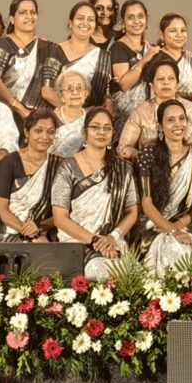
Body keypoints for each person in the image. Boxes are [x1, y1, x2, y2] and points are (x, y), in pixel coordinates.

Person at [52, 107, 140, 278]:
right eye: (95, 127)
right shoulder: (67, 168)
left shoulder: (123, 168)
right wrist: (95, 240)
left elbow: (132, 212)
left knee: (135, 277)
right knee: (102, 272)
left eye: (107, 128)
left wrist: (113, 237)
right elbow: (59, 218)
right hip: (77, 242)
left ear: (113, 134)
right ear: (84, 132)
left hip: (112, 242)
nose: (101, 132)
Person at [139, 99, 192, 269]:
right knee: (171, 248)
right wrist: (170, 229)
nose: (178, 124)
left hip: (184, 225)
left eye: (181, 118)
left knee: (190, 250)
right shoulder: (148, 154)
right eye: (170, 120)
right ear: (160, 126)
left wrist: (177, 227)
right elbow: (146, 203)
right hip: (152, 225)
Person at [118, 55, 192, 156]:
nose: (166, 82)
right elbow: (123, 148)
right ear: (151, 86)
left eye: (171, 78)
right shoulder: (141, 112)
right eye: (160, 79)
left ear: (177, 84)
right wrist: (144, 158)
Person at [0, 113, 60, 242]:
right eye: (38, 131)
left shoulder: (59, 165)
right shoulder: (9, 162)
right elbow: (1, 208)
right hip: (12, 230)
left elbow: (63, 211)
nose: (45, 137)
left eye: (50, 132)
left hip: (44, 231)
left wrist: (39, 228)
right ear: (26, 132)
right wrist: (30, 233)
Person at [0, 0, 62, 114]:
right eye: (23, 12)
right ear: (12, 19)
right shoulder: (3, 44)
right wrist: (21, 110)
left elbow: (49, 88)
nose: (29, 16)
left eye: (33, 12)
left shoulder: (49, 47)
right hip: (7, 114)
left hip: (40, 118)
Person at [106, 0, 157, 116]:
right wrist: (143, 61)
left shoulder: (150, 48)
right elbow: (124, 85)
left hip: (148, 114)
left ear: (146, 19)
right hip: (125, 115)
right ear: (123, 22)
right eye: (130, 17)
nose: (136, 21)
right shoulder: (118, 48)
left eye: (140, 16)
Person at [57, 4, 106, 107]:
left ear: (95, 26)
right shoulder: (55, 50)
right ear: (70, 23)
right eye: (80, 18)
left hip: (91, 115)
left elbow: (105, 93)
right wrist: (74, 112)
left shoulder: (102, 56)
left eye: (90, 20)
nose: (85, 23)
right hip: (59, 113)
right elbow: (47, 91)